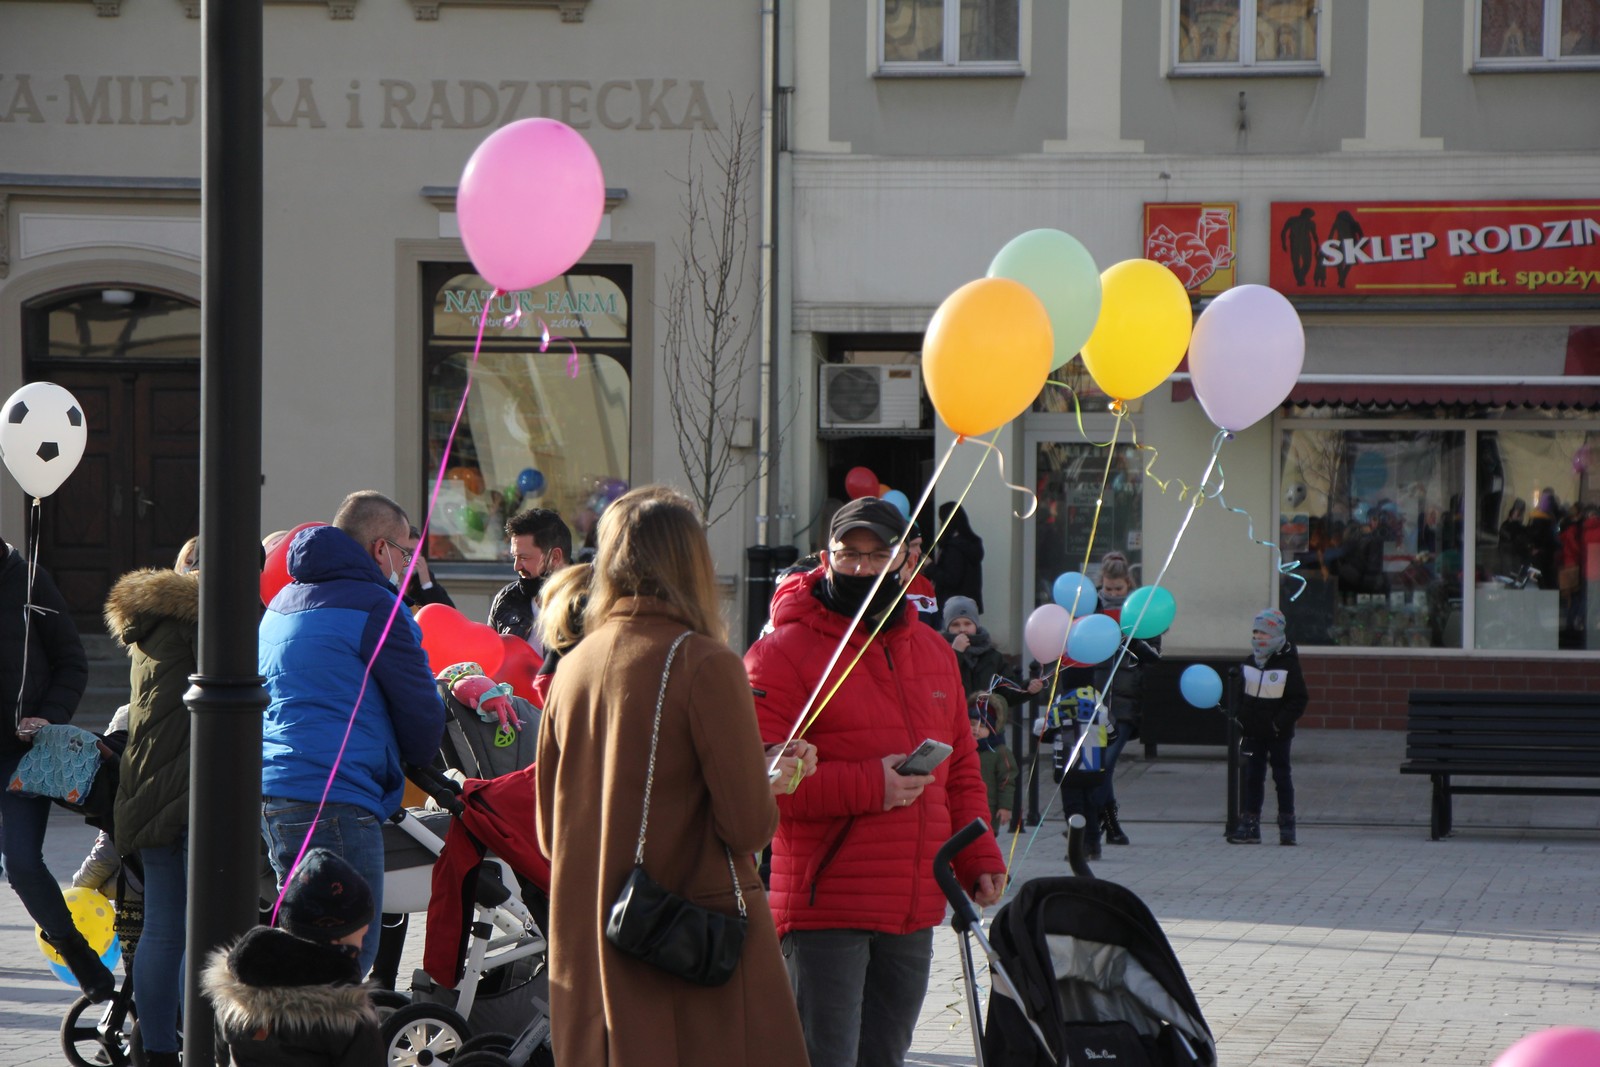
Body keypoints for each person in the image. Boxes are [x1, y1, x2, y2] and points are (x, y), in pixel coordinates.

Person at [535, 486, 814, 1067]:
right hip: (684, 950)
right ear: (693, 563)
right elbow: (746, 826)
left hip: (591, 944)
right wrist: (772, 784)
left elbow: (547, 831)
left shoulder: (574, 666)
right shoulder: (704, 663)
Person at [746, 495, 1006, 1067]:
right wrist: (872, 785)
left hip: (911, 904)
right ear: (825, 556)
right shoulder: (780, 654)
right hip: (825, 907)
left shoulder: (935, 652)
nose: (863, 568)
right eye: (849, 554)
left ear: (907, 561)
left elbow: (961, 768)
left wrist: (979, 854)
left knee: (885, 1057)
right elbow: (759, 783)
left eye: (878, 554)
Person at [259, 491, 447, 976]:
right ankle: (322, 1050)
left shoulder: (281, 602)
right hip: (337, 796)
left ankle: (285, 1044)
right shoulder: (375, 606)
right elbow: (419, 704)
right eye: (404, 552)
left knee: (300, 945)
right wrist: (423, 760)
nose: (405, 565)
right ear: (380, 549)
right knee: (345, 957)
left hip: (276, 793)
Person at [103, 547, 202, 1067]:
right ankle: (198, 1046)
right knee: (201, 926)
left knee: (166, 928)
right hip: (190, 789)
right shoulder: (208, 614)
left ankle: (160, 1049)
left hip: (146, 788)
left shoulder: (153, 621)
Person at [0, 536, 105, 1000]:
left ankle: (79, 957)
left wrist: (49, 716)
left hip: (21, 753)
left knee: (22, 862)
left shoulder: (26, 579)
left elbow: (71, 663)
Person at [202, 848, 383, 1066]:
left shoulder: (235, 990)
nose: (362, 945)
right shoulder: (348, 1016)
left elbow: (221, 1057)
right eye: (361, 935)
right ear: (336, 939)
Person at [1090, 551, 1156, 847]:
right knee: (1098, 765)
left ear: (1129, 584)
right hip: (1094, 698)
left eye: (1119, 589)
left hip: (1126, 699)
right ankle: (1110, 824)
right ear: (1101, 583)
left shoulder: (1141, 612)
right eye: (1108, 588)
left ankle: (1098, 820)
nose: (1113, 594)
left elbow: (1154, 656)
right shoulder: (1090, 608)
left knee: (1105, 762)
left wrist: (1131, 640)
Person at [1227, 609, 1308, 846]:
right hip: (1253, 732)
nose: (1258, 637)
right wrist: (1241, 716)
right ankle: (1250, 824)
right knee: (1253, 776)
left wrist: (1278, 723)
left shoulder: (1287, 664)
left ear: (1274, 634)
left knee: (1282, 776)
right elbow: (1242, 693)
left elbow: (1298, 699)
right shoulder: (1250, 661)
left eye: (1263, 632)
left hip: (1277, 733)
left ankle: (1287, 825)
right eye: (1255, 632)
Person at [489, 508, 572, 652]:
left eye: (524, 558)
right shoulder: (506, 599)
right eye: (514, 557)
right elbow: (490, 659)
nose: (516, 566)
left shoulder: (590, 602)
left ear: (555, 557)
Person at [925, 501, 985, 613]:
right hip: (968, 606)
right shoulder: (970, 543)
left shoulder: (954, 548)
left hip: (952, 606)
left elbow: (951, 579)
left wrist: (929, 567)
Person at [900, 521, 940, 628]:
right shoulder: (878, 584)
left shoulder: (924, 583)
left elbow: (935, 627)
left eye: (919, 545)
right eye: (913, 545)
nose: (919, 550)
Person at [403, 524, 454, 608]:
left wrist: (427, 585)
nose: (413, 556)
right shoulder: (386, 578)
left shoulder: (423, 580)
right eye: (408, 551)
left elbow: (448, 612)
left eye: (417, 551)